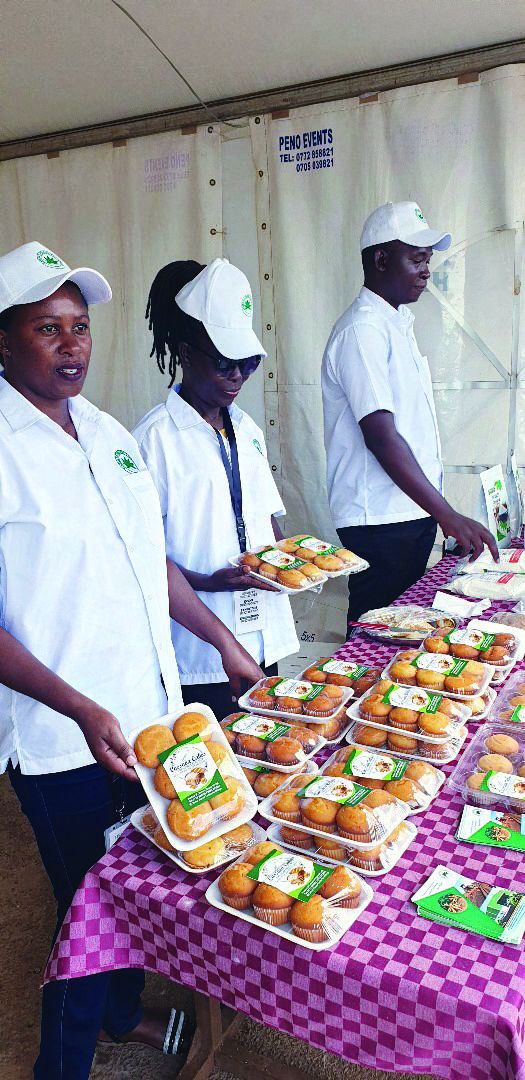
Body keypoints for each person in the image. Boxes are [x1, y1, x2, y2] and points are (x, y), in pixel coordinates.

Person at [0, 241, 263, 1080]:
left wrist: (222, 642)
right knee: (90, 914)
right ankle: (64, 1064)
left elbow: (152, 562)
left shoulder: (109, 434)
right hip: (62, 739)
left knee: (141, 885)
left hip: (147, 722)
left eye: (79, 327)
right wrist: (80, 707)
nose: (73, 345)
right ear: (3, 341)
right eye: (47, 329)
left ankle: (122, 1014)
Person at [134, 258, 299, 719]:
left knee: (268, 757)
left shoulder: (245, 429)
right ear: (185, 353)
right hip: (198, 651)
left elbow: (267, 518)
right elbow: (143, 559)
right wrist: (208, 582)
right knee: (212, 778)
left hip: (262, 630)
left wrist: (294, 559)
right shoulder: (151, 441)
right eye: (225, 363)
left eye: (248, 364)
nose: (238, 377)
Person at [321, 201, 498, 627]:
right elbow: (381, 436)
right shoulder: (362, 330)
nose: (426, 271)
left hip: (407, 513)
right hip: (380, 520)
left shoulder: (393, 324)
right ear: (381, 259)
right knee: (376, 636)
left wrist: (438, 513)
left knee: (402, 631)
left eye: (428, 261)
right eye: (417, 259)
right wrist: (448, 515)